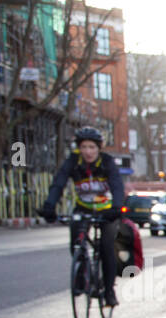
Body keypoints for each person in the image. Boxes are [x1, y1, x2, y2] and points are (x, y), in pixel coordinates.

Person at [40, 126, 125, 307]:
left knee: (107, 247)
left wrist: (117, 206)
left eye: (92, 147)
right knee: (75, 242)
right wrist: (49, 206)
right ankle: (82, 276)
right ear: (79, 148)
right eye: (84, 147)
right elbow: (58, 183)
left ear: (99, 148)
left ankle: (109, 291)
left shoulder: (107, 162)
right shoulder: (73, 161)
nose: (88, 151)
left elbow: (117, 185)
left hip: (106, 210)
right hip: (83, 208)